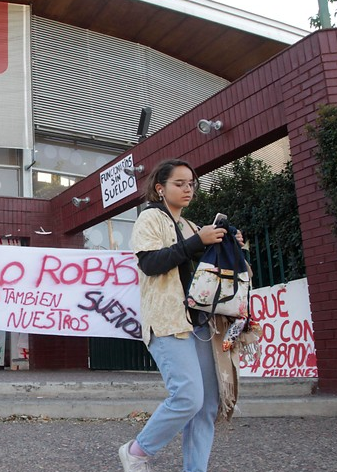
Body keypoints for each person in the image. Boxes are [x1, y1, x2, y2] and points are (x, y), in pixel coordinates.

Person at [121, 158, 242, 472]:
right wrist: (197, 242)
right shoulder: (150, 218)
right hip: (167, 322)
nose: (188, 189)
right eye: (179, 183)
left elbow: (206, 267)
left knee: (207, 404)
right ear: (160, 188)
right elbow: (150, 263)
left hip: (201, 324)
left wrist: (230, 245)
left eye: (191, 183)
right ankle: (137, 451)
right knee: (188, 396)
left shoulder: (190, 226)